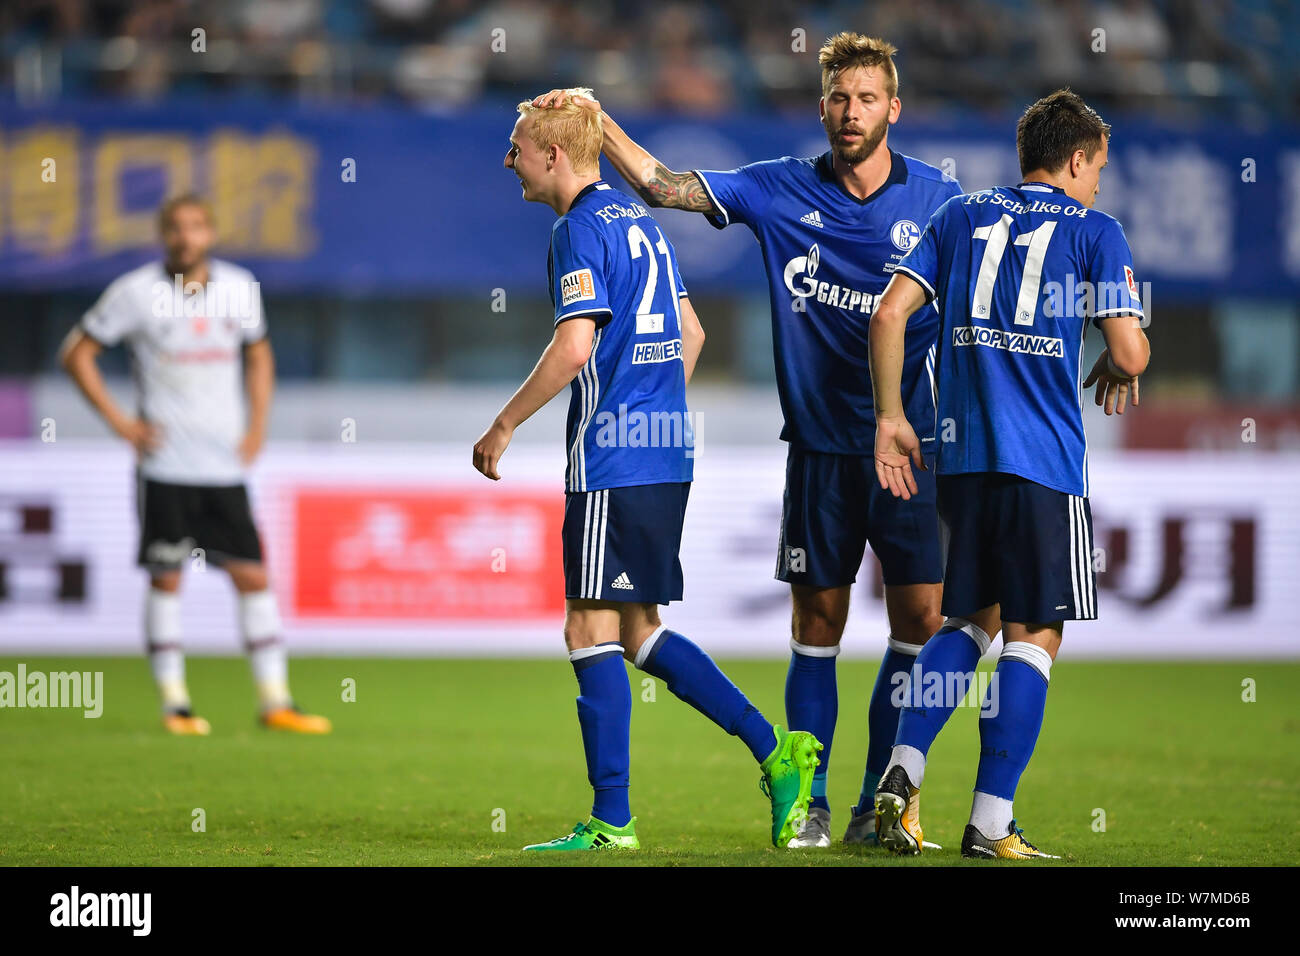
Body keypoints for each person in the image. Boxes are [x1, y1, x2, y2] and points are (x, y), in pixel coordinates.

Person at [532, 32, 961, 847]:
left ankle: (883, 803)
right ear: (820, 103)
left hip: (908, 448)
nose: (849, 112)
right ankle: (812, 803)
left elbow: (977, 300)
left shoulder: (940, 198)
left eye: (867, 98)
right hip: (821, 452)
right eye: (837, 96)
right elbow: (661, 186)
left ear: (893, 109)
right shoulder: (779, 189)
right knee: (819, 624)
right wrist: (599, 117)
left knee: (922, 622)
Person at [473, 89, 821, 851]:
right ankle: (775, 750)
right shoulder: (642, 223)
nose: (510, 160)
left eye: (518, 147)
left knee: (586, 629)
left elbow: (574, 347)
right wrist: (653, 403)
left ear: (554, 155)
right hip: (663, 451)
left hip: (614, 456)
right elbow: (690, 332)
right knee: (637, 631)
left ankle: (613, 820)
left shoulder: (579, 229)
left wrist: (504, 424)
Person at [868, 89, 1150, 858]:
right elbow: (1129, 354)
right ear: (1078, 159)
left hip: (961, 460)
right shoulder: (1095, 230)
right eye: (1097, 168)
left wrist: (893, 418)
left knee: (968, 623)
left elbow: (888, 314)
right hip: (1041, 464)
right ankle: (991, 822)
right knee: (1032, 637)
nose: (1098, 184)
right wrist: (1112, 356)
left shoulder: (960, 215)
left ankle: (901, 770)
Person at [60, 195, 331, 736]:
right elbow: (77, 352)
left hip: (223, 465)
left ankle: (275, 700)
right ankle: (174, 704)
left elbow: (258, 353)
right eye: (175, 229)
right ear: (162, 235)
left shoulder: (238, 287)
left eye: (195, 228)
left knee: (252, 575)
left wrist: (257, 425)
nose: (185, 238)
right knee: (167, 578)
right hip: (165, 465)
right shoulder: (134, 293)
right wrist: (120, 423)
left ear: (209, 233)